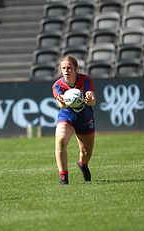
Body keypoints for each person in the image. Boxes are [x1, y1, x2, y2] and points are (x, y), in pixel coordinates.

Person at [52, 55, 96, 185]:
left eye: (69, 68)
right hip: (67, 116)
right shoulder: (57, 85)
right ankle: (63, 178)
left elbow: (93, 101)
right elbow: (62, 105)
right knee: (60, 140)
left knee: (85, 152)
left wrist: (90, 99)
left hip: (85, 117)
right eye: (63, 68)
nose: (66, 70)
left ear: (76, 69)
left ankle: (83, 164)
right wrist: (64, 101)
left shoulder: (86, 80)